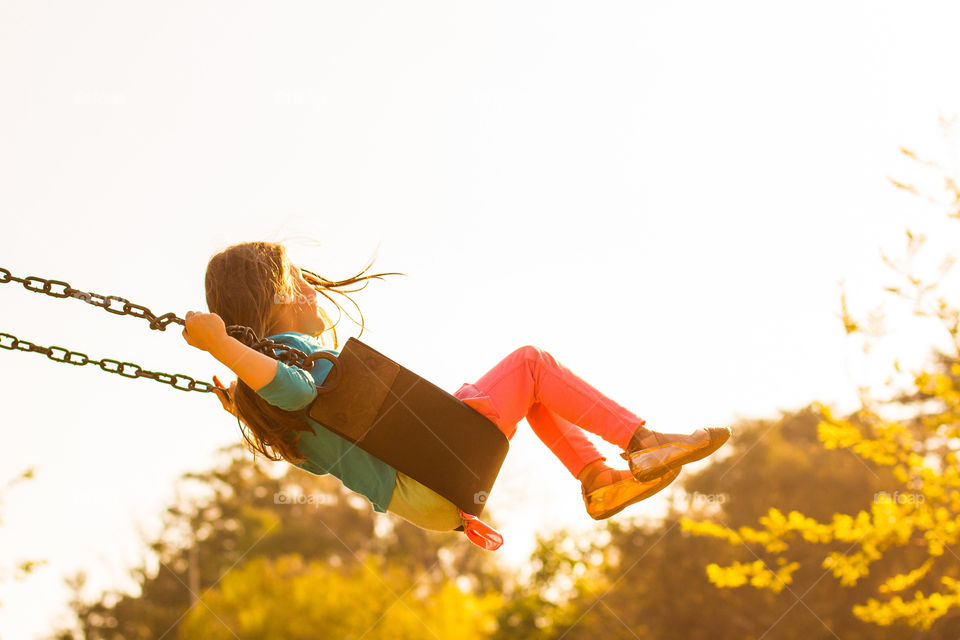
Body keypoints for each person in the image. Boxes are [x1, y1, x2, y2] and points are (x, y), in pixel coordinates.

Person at [182, 241, 730, 550]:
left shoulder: (266, 394)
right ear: (271, 297)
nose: (311, 289)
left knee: (531, 392)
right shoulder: (284, 353)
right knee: (531, 364)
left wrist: (242, 394)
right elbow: (296, 391)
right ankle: (641, 441)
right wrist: (223, 348)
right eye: (297, 281)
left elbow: (307, 428)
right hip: (433, 466)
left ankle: (597, 479)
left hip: (430, 494)